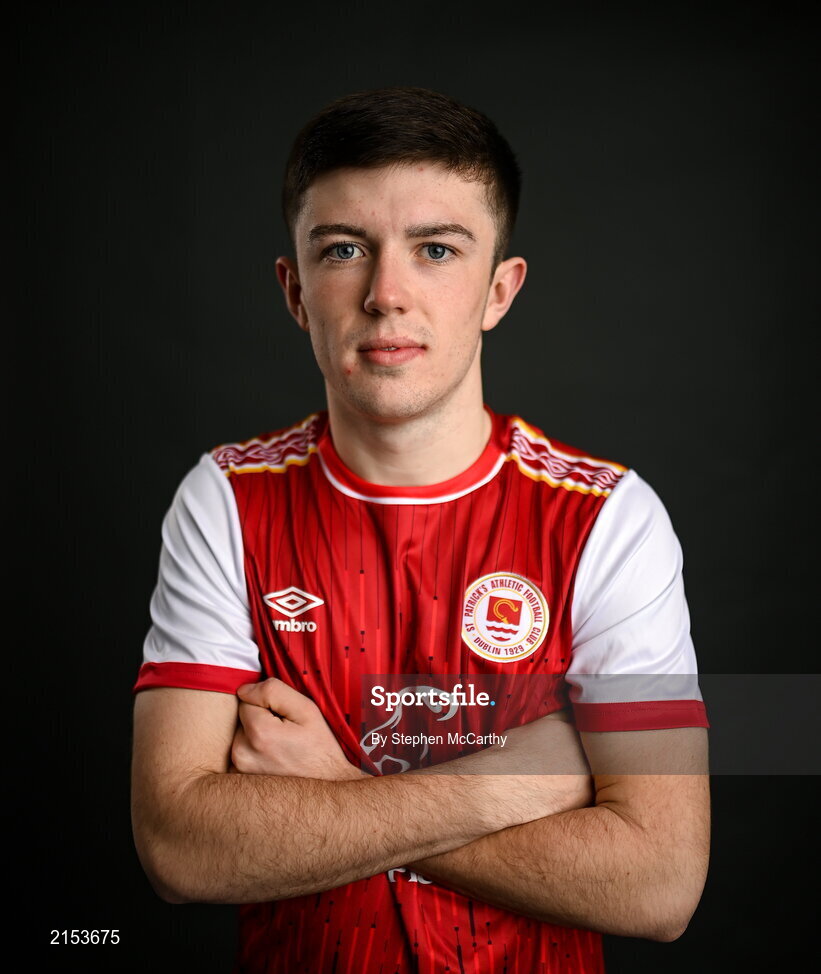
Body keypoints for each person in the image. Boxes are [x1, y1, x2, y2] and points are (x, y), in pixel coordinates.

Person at [131, 87, 710, 973]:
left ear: (497, 289)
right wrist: (510, 784)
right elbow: (178, 847)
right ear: (293, 291)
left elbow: (659, 884)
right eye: (343, 250)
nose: (385, 295)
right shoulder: (225, 499)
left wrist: (336, 791)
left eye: (436, 249)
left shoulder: (608, 517)